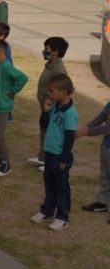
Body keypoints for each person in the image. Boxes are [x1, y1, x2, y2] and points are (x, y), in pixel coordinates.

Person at [30, 74, 77, 231]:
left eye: (52, 91)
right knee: (49, 182)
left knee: (61, 186)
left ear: (63, 92)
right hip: (49, 153)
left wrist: (64, 159)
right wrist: (45, 110)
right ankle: (47, 210)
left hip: (60, 156)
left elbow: (70, 138)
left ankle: (63, 217)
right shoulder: (55, 106)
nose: (49, 94)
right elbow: (43, 124)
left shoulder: (70, 113)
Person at [0, 40, 28, 176]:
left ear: (1, 53)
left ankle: (6, 162)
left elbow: (22, 78)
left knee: (0, 135)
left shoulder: (7, 67)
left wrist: (13, 90)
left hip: (2, 107)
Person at [28, 37, 69, 171]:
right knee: (44, 131)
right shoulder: (51, 64)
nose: (44, 51)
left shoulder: (59, 69)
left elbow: (61, 91)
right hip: (45, 106)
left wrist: (50, 103)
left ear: (56, 52)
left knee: (51, 134)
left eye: (47, 49)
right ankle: (42, 157)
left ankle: (50, 161)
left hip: (51, 107)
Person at [77, 101, 110, 219]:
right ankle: (102, 202)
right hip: (107, 145)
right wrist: (85, 128)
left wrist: (88, 132)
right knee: (105, 174)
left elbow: (108, 127)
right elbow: (100, 118)